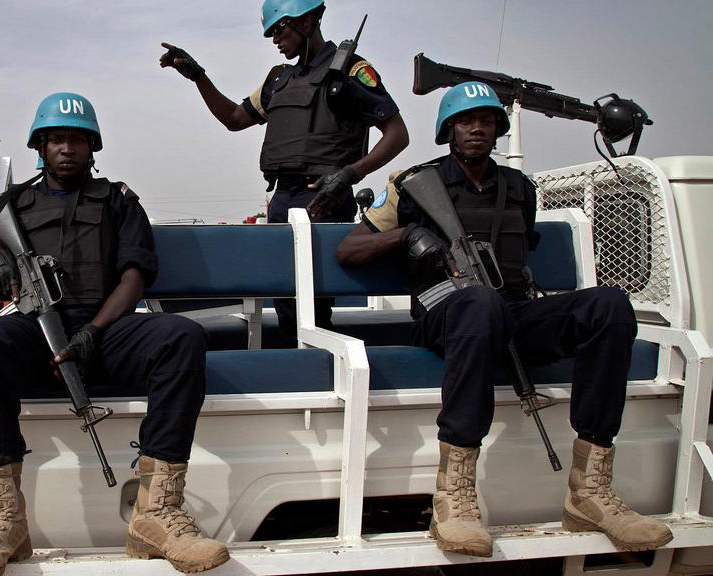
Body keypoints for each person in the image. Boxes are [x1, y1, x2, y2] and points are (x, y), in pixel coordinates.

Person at [335, 82, 673, 557]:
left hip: (509, 311)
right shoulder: (411, 185)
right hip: (446, 314)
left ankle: (590, 491)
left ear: (498, 129)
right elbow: (349, 249)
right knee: (479, 304)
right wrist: (407, 235)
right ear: (448, 130)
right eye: (466, 121)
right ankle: (453, 498)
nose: (477, 128)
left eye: (486, 121)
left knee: (609, 305)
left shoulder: (519, 190)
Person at [0, 92, 228, 575]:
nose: (67, 148)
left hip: (107, 331)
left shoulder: (119, 200)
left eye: (77, 140)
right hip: (36, 334)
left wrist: (93, 333)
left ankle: (157, 512)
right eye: (57, 139)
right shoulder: (2, 209)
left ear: (92, 147)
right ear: (40, 146)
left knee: (181, 336)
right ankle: (2, 519)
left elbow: (134, 279)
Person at [159, 0, 409, 347]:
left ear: (307, 21)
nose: (275, 39)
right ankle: (295, 364)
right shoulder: (278, 79)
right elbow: (234, 118)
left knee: (313, 307)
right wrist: (198, 76)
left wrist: (349, 175)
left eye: (279, 29)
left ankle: (319, 368)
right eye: (271, 33)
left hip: (324, 200)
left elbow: (397, 134)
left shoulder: (350, 70)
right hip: (282, 200)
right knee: (286, 303)